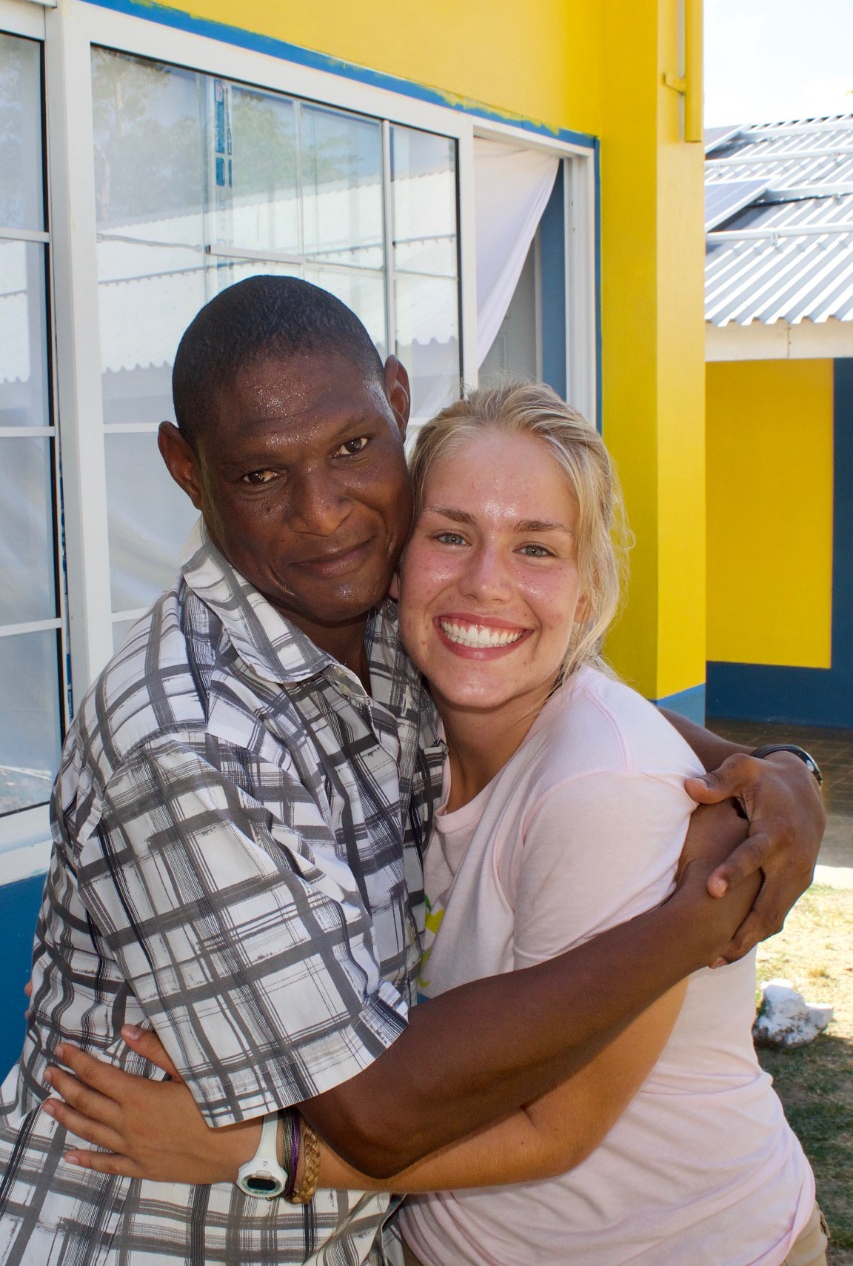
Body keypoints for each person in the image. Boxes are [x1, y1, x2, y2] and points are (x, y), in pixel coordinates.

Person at [0, 278, 824, 1266]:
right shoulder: (186, 742)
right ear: (187, 467)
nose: (322, 515)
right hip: (149, 1237)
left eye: (352, 447)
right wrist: (694, 923)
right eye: (260, 475)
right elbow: (379, 1114)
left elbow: (567, 692)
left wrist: (775, 769)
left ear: (396, 399)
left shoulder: (382, 618)